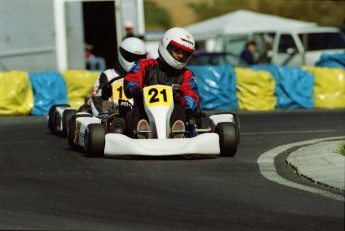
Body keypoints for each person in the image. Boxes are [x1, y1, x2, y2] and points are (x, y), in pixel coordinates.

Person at [123, 27, 200, 139]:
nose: (181, 56)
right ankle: (140, 132)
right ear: (166, 45)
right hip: (145, 112)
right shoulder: (145, 64)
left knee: (179, 108)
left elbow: (192, 98)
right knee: (136, 108)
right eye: (178, 50)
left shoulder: (187, 74)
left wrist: (179, 99)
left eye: (185, 53)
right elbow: (133, 77)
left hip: (174, 116)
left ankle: (177, 131)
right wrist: (135, 88)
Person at [89, 37, 147, 118]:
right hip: (115, 119)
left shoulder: (148, 76)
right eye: (131, 57)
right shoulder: (107, 75)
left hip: (142, 117)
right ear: (121, 54)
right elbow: (96, 99)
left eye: (139, 59)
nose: (135, 62)